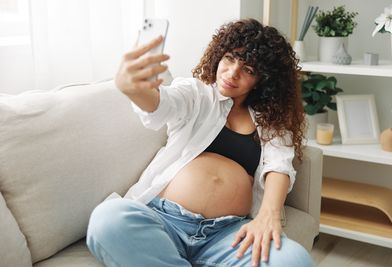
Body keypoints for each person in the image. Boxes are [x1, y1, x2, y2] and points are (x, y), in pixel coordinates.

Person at [86, 18, 315, 267]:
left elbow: (279, 166)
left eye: (248, 70)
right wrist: (133, 89)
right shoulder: (197, 94)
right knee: (108, 219)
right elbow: (163, 106)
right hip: (164, 220)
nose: (232, 72)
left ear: (263, 79)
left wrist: (267, 217)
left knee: (294, 260)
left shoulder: (271, 121)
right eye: (229, 58)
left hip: (228, 234)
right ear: (219, 55)